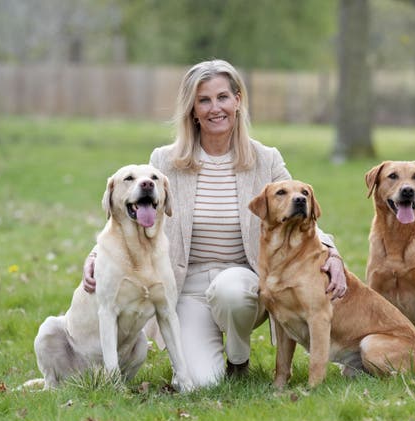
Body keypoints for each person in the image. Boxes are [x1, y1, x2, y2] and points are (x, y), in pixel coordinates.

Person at [82, 59, 347, 388]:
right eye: (204, 100)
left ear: (238, 100)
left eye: (223, 97)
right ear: (192, 109)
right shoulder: (164, 161)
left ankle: (239, 359)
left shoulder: (266, 159)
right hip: (187, 288)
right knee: (202, 383)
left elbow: (298, 211)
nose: (214, 108)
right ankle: (214, 363)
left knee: (231, 291)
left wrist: (331, 252)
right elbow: (130, 214)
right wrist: (97, 255)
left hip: (244, 281)